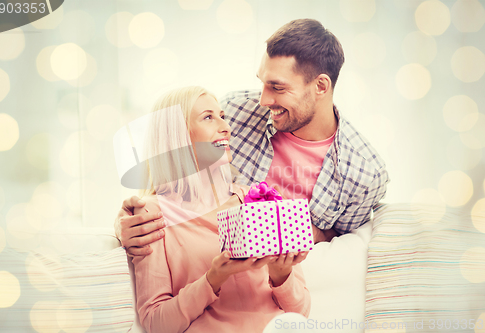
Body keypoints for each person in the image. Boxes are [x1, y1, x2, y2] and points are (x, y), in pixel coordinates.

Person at [115, 18, 389, 256]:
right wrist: (129, 223)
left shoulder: (365, 174)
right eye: (262, 82)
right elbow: (174, 178)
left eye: (277, 87)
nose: (264, 99)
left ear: (320, 86)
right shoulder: (234, 112)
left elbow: (344, 247)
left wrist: (282, 230)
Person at [131, 86, 310, 333]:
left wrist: (281, 274)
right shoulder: (152, 214)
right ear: (177, 136)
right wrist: (212, 279)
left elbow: (301, 312)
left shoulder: (257, 198)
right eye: (208, 117)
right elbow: (156, 323)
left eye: (222, 116)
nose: (226, 127)